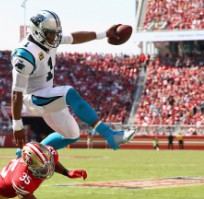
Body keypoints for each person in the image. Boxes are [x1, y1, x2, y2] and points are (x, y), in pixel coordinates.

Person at [10, 10, 136, 151]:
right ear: (37, 32)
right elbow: (16, 92)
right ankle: (110, 134)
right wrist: (17, 125)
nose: (54, 37)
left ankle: (25, 155)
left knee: (72, 135)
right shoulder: (24, 54)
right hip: (31, 100)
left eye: (55, 33)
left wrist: (104, 34)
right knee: (69, 93)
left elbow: (74, 38)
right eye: (50, 34)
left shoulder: (48, 39)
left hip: (47, 94)